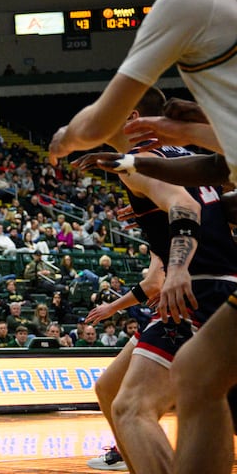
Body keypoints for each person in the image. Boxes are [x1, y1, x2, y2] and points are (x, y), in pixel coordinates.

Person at [70, 90, 237, 473]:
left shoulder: (141, 165)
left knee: (132, 407)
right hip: (220, 282)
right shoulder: (181, 159)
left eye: (107, 109)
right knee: (111, 389)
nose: (99, 115)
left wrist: (177, 269)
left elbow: (186, 206)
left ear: (129, 117)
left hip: (202, 288)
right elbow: (209, 204)